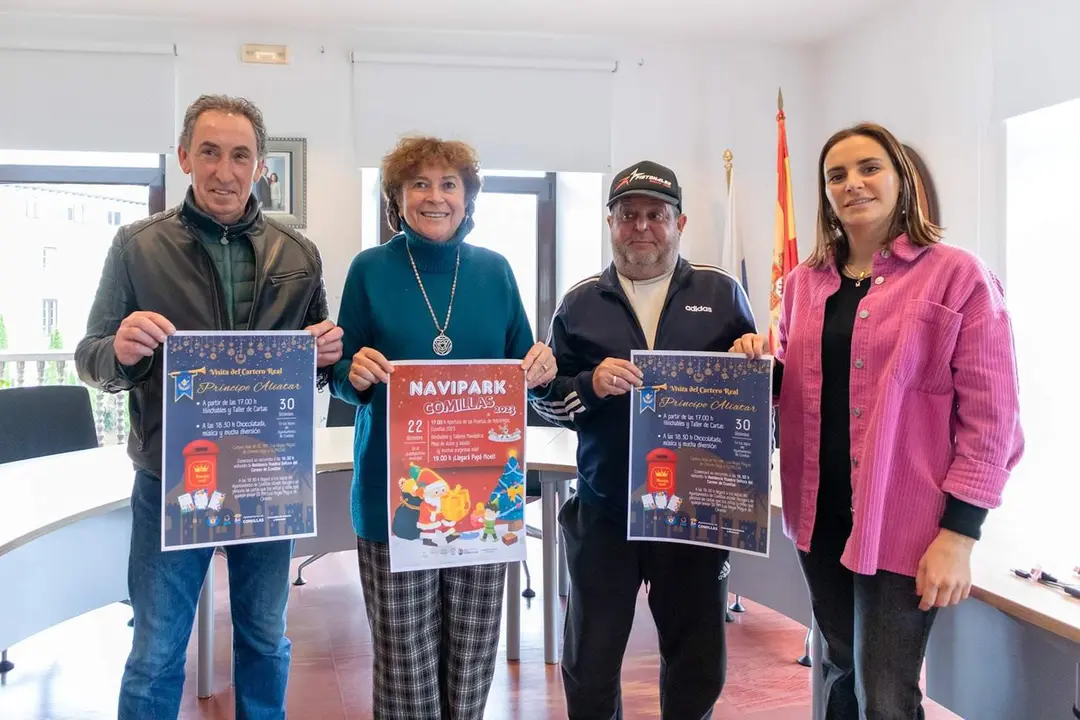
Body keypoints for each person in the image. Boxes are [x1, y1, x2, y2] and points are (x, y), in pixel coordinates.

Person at [731, 122, 1023, 719]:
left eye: (869, 168)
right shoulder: (804, 283)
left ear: (901, 179)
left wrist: (960, 534)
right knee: (839, 668)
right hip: (819, 518)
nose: (852, 184)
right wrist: (759, 371)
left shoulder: (958, 276)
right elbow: (803, 387)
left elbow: (994, 422)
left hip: (906, 525)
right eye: (836, 175)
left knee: (885, 697)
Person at [75, 94, 344, 720]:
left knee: (265, 640)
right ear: (184, 158)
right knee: (157, 649)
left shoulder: (298, 254)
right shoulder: (137, 246)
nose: (225, 171)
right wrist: (119, 348)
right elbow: (91, 357)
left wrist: (328, 350)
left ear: (261, 166)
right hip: (171, 475)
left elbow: (320, 355)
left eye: (241, 155)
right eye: (211, 153)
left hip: (266, 475)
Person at [330, 135, 557, 719]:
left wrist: (541, 365)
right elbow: (336, 378)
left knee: (472, 663)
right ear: (397, 197)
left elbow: (524, 367)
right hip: (394, 501)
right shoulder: (369, 270)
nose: (435, 197)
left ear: (468, 196)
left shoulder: (495, 271)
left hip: (482, 500)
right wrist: (352, 372)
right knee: (406, 667)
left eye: (448, 184)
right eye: (419, 184)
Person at [531, 161, 757, 719]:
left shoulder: (723, 294)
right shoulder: (580, 303)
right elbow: (545, 400)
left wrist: (753, 362)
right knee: (590, 660)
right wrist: (590, 384)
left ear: (679, 221)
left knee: (698, 661)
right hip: (606, 511)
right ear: (610, 223)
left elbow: (758, 401)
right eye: (627, 215)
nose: (641, 227)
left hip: (694, 516)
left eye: (655, 215)